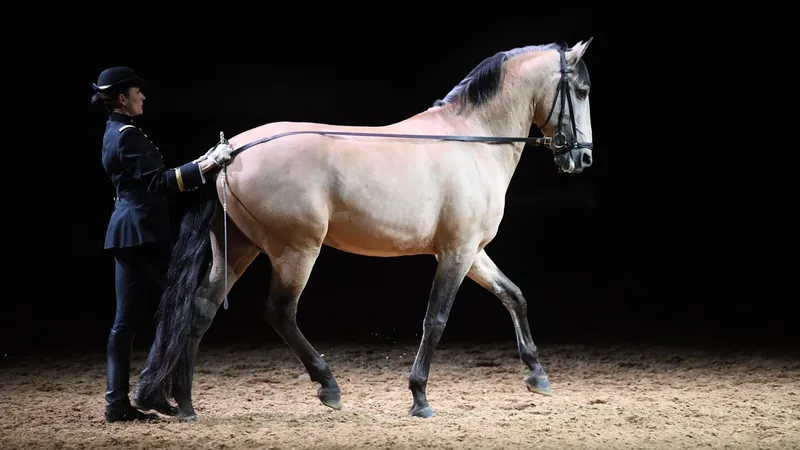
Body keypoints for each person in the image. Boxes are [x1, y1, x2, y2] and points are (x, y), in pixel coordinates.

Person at [90, 66, 232, 423]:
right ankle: (153, 391)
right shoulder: (126, 135)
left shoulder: (115, 132)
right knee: (177, 311)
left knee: (125, 322)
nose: (143, 98)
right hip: (142, 234)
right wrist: (208, 163)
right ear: (122, 98)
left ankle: (117, 402)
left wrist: (200, 164)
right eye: (138, 93)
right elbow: (159, 182)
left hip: (127, 233)